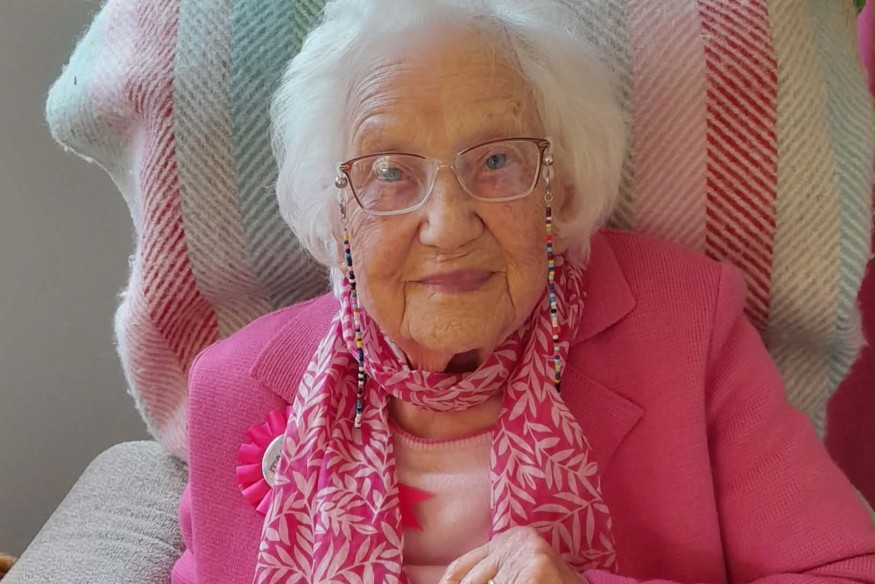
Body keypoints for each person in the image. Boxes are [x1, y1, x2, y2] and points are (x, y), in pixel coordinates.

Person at [172, 1, 875, 583]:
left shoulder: (684, 328)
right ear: (338, 217)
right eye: (389, 173)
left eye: (498, 160)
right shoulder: (234, 387)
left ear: (560, 186)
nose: (448, 225)